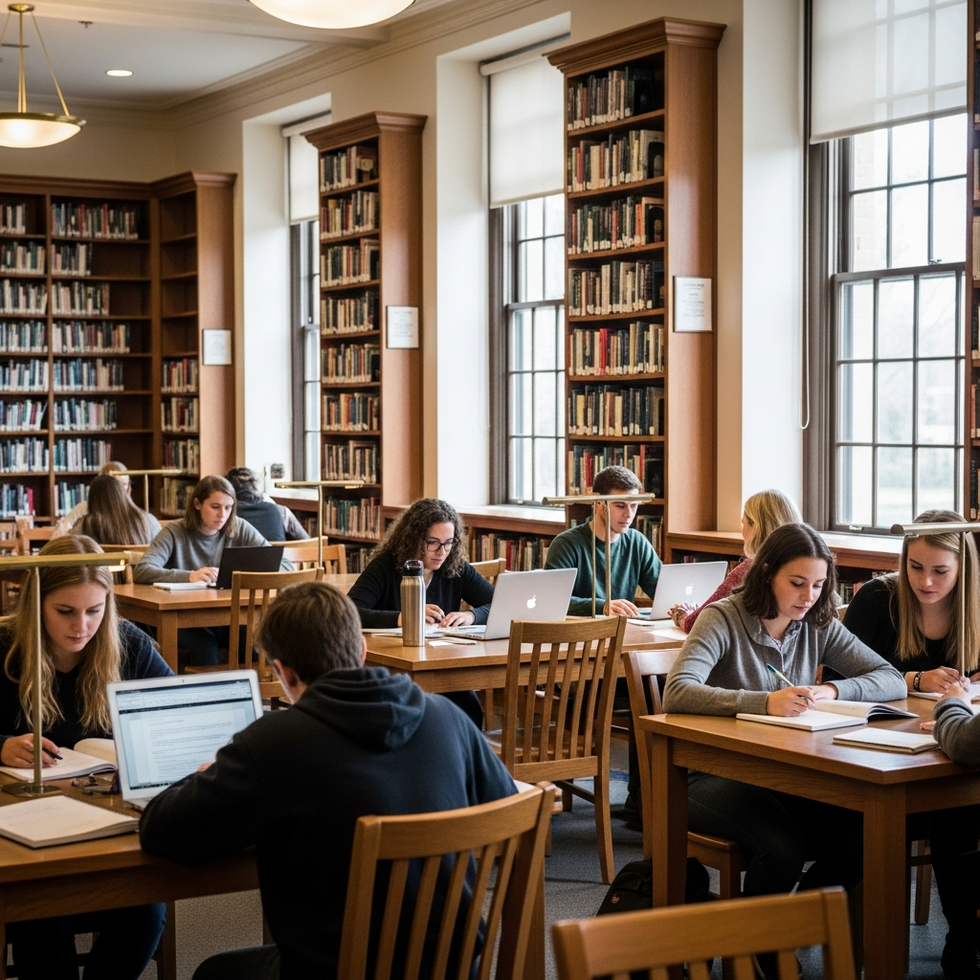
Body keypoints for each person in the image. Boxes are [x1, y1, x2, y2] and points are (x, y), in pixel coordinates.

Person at [139, 581, 516, 980]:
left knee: (214, 973)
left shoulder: (274, 743)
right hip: (454, 968)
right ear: (362, 650)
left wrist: (206, 772)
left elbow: (161, 830)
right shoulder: (448, 717)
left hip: (336, 970)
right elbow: (509, 811)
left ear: (283, 671)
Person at [662, 523, 905, 974]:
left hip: (782, 772)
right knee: (782, 848)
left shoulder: (816, 623)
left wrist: (833, 689)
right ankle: (760, 948)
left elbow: (890, 678)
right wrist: (763, 702)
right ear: (767, 572)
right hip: (709, 773)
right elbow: (677, 692)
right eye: (797, 583)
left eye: (818, 585)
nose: (808, 596)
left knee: (864, 835)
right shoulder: (723, 618)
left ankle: (783, 930)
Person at [0, 534, 171, 979]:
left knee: (146, 911)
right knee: (44, 915)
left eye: (95, 611)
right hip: (25, 828)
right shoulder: (5, 646)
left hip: (108, 822)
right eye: (65, 611)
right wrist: (0, 744)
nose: (82, 626)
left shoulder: (128, 643)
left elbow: (173, 712)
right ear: (36, 604)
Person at [844, 510, 980, 979]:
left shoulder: (976, 604)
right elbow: (838, 676)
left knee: (958, 806)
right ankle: (959, 941)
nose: (926, 582)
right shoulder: (876, 599)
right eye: (915, 567)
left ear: (964, 568)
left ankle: (962, 940)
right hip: (876, 747)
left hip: (949, 743)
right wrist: (913, 678)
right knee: (954, 811)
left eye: (940, 571)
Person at [133, 475, 290, 666]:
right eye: (215, 507)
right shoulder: (175, 531)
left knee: (254, 644)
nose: (222, 515)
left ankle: (244, 686)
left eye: (228, 507)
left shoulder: (239, 527)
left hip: (226, 615)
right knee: (206, 648)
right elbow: (142, 570)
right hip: (182, 618)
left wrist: (247, 574)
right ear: (197, 504)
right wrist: (189, 576)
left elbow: (284, 564)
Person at [348, 497, 493, 630]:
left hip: (442, 648)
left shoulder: (455, 567)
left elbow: (500, 605)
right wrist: (406, 617)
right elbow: (350, 613)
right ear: (412, 539)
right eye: (433, 542)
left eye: (449, 543)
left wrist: (471, 616)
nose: (442, 552)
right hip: (391, 648)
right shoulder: (384, 566)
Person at [668, 489, 801, 631]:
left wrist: (682, 614)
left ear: (755, 527)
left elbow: (697, 623)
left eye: (743, 524)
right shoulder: (806, 570)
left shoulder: (751, 569)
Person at [543, 464, 660, 617]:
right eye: (620, 506)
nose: (629, 514)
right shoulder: (566, 545)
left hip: (624, 628)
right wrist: (602, 606)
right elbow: (552, 600)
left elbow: (661, 591)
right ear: (598, 503)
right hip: (579, 629)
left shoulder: (637, 543)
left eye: (633, 506)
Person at [71, 473, 162, 545]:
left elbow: (71, 547)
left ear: (92, 500)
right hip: (140, 564)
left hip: (104, 564)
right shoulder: (148, 521)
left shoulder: (85, 526)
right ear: (122, 494)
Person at [225, 466, 309, 542]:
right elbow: (307, 543)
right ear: (257, 488)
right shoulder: (281, 512)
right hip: (277, 554)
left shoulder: (224, 515)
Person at [63, 460, 130, 530]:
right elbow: (64, 529)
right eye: (117, 485)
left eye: (125, 484)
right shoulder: (83, 509)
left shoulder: (130, 512)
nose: (121, 489)